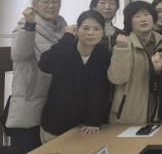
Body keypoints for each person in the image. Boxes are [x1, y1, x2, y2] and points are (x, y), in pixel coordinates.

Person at [5, 0, 67, 154]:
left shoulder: (64, 30)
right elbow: (19, 54)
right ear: (35, 4)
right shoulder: (25, 26)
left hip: (54, 106)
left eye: (55, 2)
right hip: (29, 108)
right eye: (45, 1)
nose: (51, 6)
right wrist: (30, 26)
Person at [38, 10, 111, 142]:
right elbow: (45, 64)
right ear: (77, 30)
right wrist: (66, 38)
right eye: (86, 28)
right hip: (55, 124)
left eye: (96, 29)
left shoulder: (104, 55)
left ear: (103, 32)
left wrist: (95, 120)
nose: (90, 33)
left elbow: (101, 91)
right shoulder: (66, 48)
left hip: (87, 127)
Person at [108, 1, 162, 124]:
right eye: (137, 16)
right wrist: (121, 50)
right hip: (127, 113)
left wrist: (158, 71)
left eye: (147, 14)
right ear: (129, 21)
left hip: (157, 113)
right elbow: (117, 79)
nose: (143, 19)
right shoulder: (123, 44)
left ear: (153, 18)